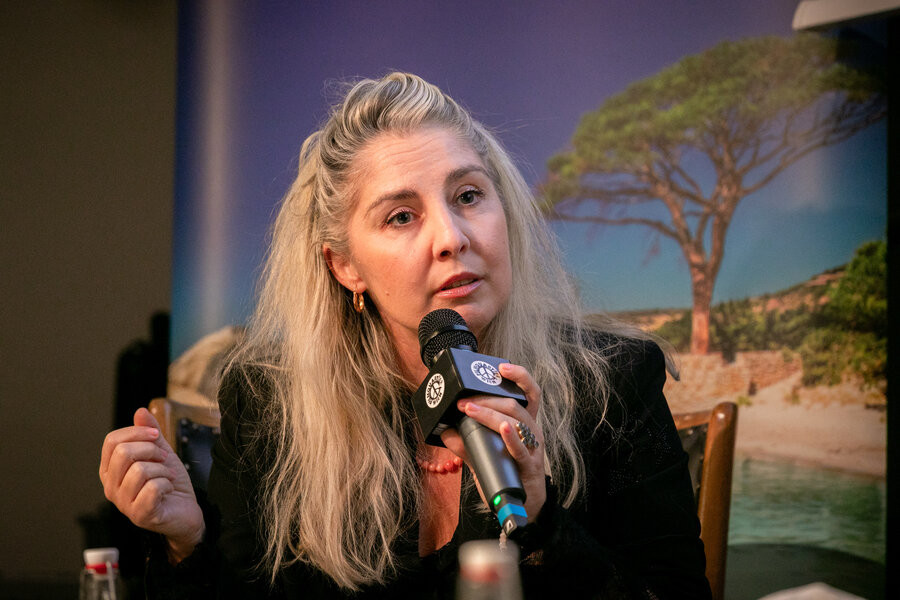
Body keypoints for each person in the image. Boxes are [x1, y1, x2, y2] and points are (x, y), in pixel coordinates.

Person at [99, 72, 711, 599]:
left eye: (468, 195)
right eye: (401, 216)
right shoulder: (270, 403)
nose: (452, 237)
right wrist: (186, 542)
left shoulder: (614, 385)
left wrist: (545, 524)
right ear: (345, 266)